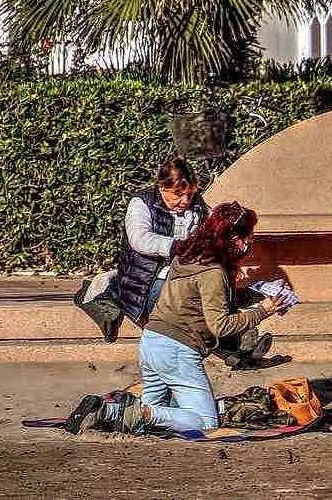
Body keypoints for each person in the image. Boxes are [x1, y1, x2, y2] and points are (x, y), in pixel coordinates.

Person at [64, 202, 291, 434]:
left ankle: (106, 411)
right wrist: (263, 311)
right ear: (233, 239)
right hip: (178, 351)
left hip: (152, 342)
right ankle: (120, 411)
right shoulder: (214, 272)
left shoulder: (189, 257)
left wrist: (258, 293)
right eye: (248, 239)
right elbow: (220, 326)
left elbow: (211, 298)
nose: (248, 245)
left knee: (151, 418)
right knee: (206, 422)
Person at [109, 157, 210, 324]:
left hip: (184, 275)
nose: (185, 201)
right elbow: (140, 239)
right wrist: (176, 246)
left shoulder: (197, 205)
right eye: (179, 194)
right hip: (146, 282)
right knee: (179, 302)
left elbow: (215, 226)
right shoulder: (142, 202)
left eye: (190, 194)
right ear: (162, 187)